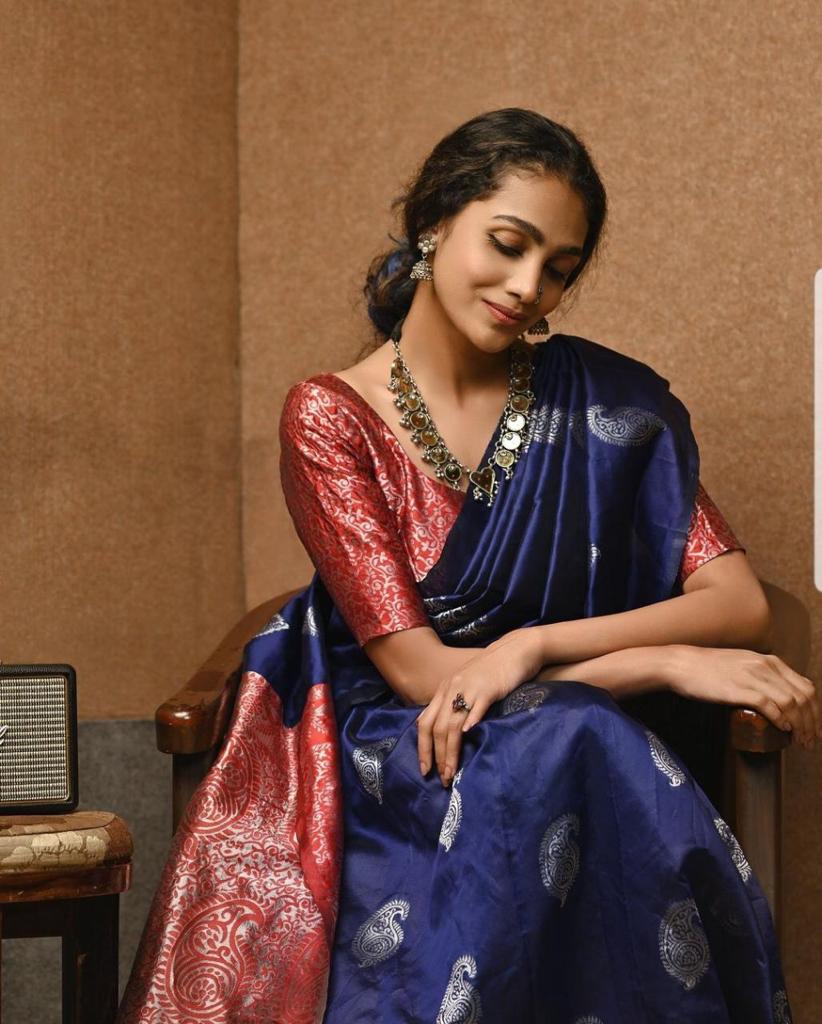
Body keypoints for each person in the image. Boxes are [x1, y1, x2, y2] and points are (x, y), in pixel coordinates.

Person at [118, 108, 818, 1024]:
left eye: (558, 268)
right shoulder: (330, 418)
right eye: (508, 244)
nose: (529, 287)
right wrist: (663, 660)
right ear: (435, 222)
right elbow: (424, 675)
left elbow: (735, 600)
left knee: (569, 731)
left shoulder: (605, 405)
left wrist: (532, 647)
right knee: (571, 732)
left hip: (569, 736)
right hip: (403, 748)